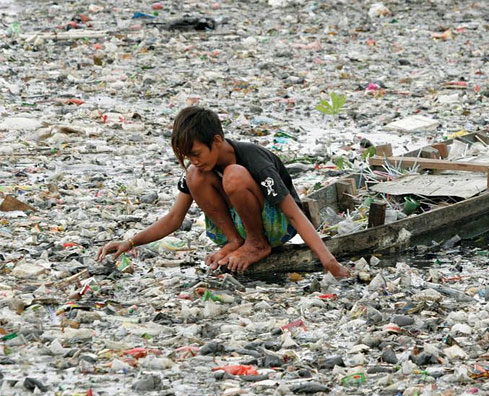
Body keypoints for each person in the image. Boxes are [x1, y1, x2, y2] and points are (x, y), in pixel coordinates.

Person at [96, 106, 349, 278]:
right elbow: (174, 218)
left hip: (276, 226)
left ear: (216, 141)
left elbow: (294, 213)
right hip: (239, 228)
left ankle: (256, 244)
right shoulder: (199, 168)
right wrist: (129, 242)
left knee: (234, 175)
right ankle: (235, 241)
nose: (193, 160)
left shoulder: (253, 160)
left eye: (196, 153)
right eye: (187, 156)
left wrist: (329, 261)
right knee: (194, 176)